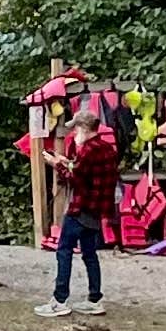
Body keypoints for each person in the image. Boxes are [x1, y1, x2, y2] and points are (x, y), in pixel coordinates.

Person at [48, 107, 119, 318]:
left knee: (64, 250)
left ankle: (59, 301)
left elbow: (76, 178)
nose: (73, 133)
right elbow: (84, 171)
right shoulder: (107, 148)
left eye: (76, 128)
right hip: (97, 210)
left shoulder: (88, 150)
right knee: (89, 254)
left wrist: (56, 165)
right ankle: (95, 299)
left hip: (81, 208)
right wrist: (66, 161)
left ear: (83, 128)